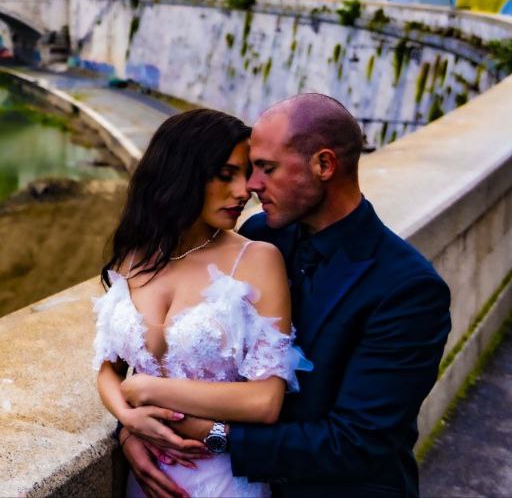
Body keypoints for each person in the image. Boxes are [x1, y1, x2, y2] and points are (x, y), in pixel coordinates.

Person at [120, 93, 451, 498]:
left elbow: (357, 444)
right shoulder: (259, 236)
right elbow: (174, 354)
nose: (252, 186)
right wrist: (133, 429)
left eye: (266, 169)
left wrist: (204, 433)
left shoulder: (409, 288)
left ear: (324, 165)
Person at [94, 108, 307, 498]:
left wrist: (148, 389)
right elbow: (108, 370)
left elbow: (266, 400)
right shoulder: (134, 256)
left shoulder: (258, 260)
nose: (244, 191)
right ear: (181, 173)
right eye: (226, 175)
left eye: (247, 175)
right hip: (145, 479)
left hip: (221, 481)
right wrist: (128, 422)